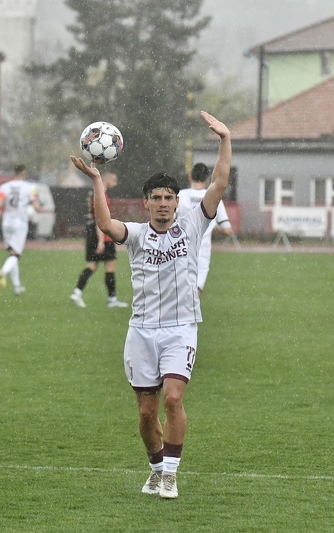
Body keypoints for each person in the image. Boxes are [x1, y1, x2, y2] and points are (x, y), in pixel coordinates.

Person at [70, 110, 231, 499]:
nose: (163, 204)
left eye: (168, 198)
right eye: (155, 198)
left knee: (174, 398)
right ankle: (156, 468)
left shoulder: (193, 224)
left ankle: (171, 475)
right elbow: (106, 224)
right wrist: (96, 181)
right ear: (145, 204)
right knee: (145, 414)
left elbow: (220, 183)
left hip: (181, 327)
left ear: (178, 201)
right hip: (141, 330)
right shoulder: (138, 235)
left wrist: (226, 140)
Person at [69, 171, 128, 308]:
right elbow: (99, 219)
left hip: (91, 233)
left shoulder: (94, 193)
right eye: (114, 180)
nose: (116, 184)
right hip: (102, 235)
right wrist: (101, 240)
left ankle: (77, 292)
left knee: (92, 266)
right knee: (110, 265)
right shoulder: (101, 195)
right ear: (108, 180)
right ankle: (112, 300)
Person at [175, 162, 233, 295]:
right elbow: (228, 229)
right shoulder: (213, 197)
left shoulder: (179, 196)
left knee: (176, 293)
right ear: (207, 179)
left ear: (190, 177)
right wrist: (213, 227)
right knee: (195, 293)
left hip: (178, 250)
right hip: (201, 252)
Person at [0, 164, 42, 294]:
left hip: (7, 222)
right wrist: (37, 208)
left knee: (12, 253)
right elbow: (37, 206)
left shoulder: (4, 187)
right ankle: (3, 271)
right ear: (24, 173)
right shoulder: (30, 187)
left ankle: (17, 286)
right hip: (20, 223)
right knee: (16, 255)